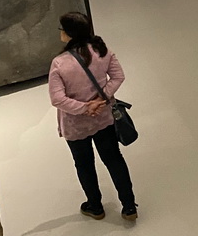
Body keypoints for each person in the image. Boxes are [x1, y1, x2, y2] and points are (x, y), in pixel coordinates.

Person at [48, 12, 138, 223]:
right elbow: (118, 76)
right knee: (114, 159)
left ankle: (95, 207)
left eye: (62, 29)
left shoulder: (60, 64)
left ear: (69, 34)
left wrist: (84, 108)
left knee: (84, 165)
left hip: (76, 125)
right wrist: (101, 98)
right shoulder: (102, 51)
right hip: (104, 118)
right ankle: (129, 205)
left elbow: (57, 99)